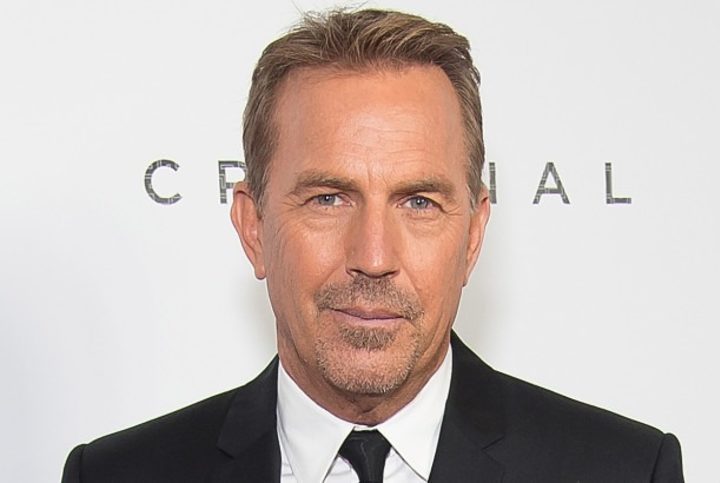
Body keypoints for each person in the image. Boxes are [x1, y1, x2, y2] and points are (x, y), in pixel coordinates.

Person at [62, 8, 684, 482]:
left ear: (472, 236)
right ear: (253, 228)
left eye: (419, 202)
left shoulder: (624, 470)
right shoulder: (119, 475)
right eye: (329, 199)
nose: (374, 257)